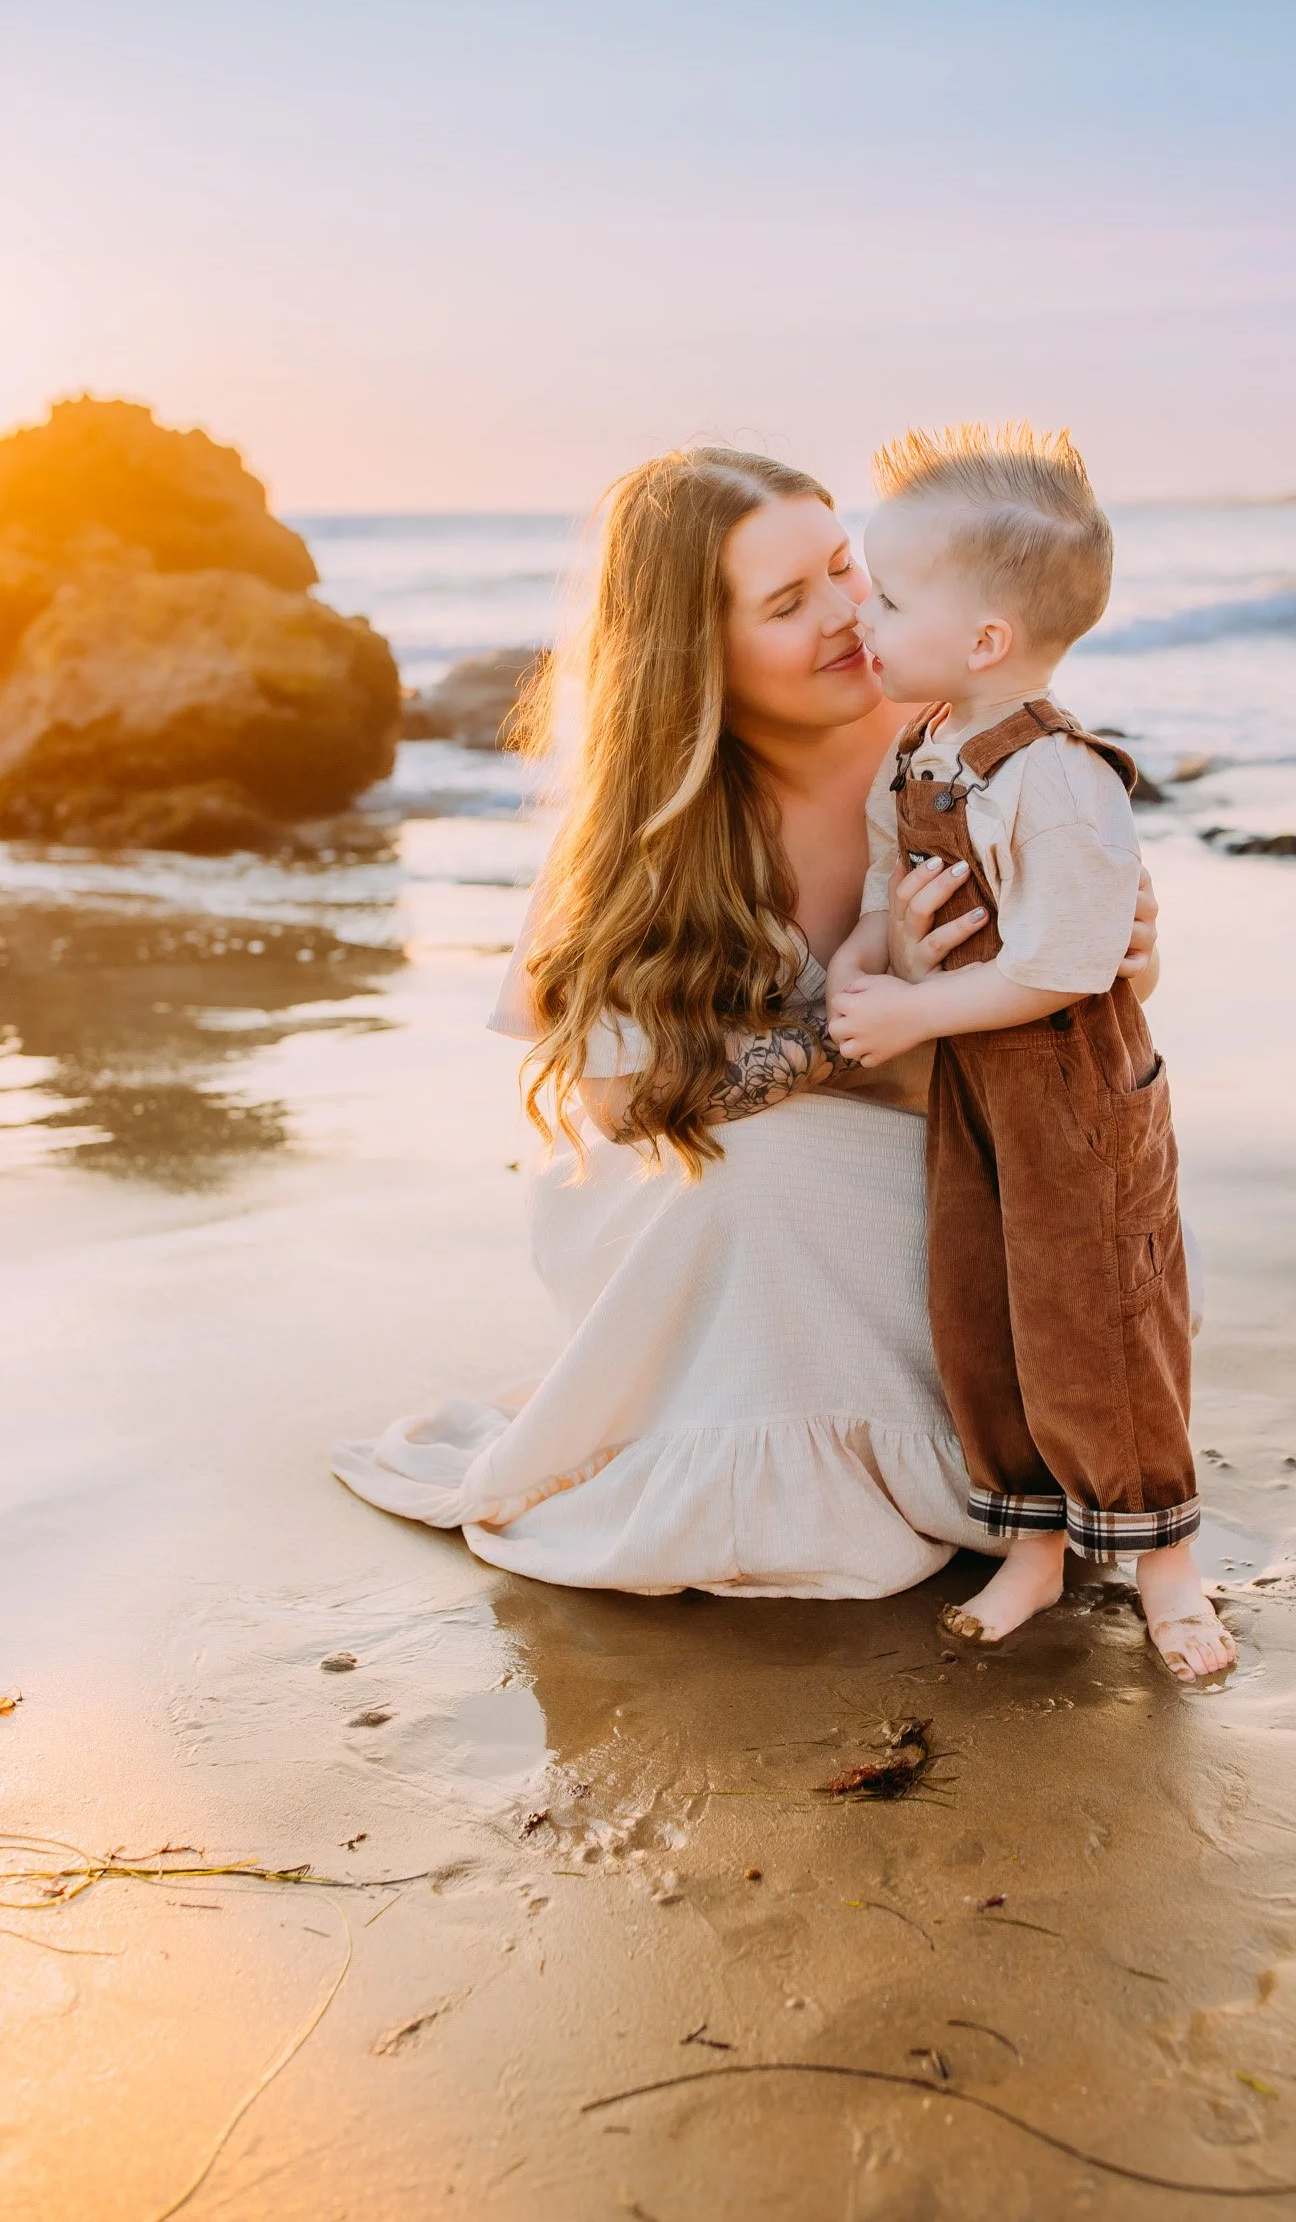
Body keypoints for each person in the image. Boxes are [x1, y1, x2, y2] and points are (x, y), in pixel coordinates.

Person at [332, 445, 1158, 1601]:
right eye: (786, 603)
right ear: (695, 654)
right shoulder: (648, 834)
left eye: (841, 567)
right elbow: (634, 1109)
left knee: (1071, 1195)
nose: (844, 613)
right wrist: (880, 1003)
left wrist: (1107, 956)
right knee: (764, 1179)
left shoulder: (964, 741)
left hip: (943, 1151)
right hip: (693, 1189)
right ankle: (812, 1464)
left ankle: (1016, 1464)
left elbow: (1070, 980)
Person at [826, 425, 1234, 1684]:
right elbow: (889, 895)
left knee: (1095, 1320)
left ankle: (1164, 1561)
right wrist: (866, 963)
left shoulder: (1060, 777)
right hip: (973, 1090)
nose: (864, 617)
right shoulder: (919, 748)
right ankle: (1033, 1548)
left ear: (986, 638)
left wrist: (907, 1018)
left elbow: (1063, 967)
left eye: (889, 599)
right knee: (981, 1311)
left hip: (1076, 1088)